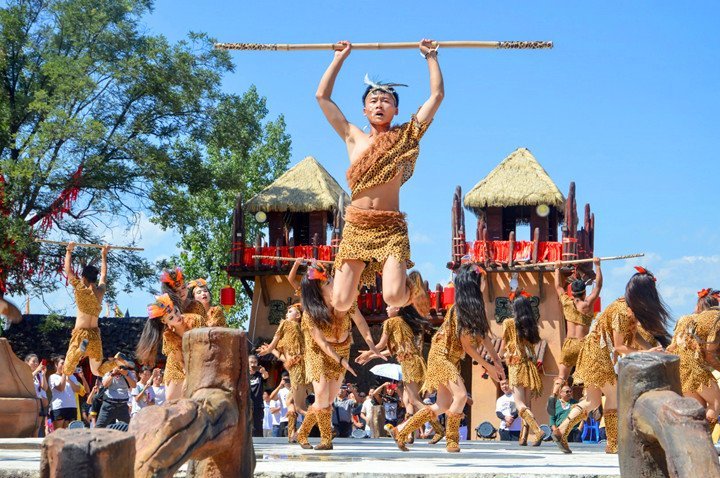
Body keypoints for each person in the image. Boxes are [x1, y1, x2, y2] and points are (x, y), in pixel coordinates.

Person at [317, 39, 443, 324]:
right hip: (358, 225)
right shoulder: (352, 137)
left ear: (395, 110)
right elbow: (322, 97)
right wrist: (339, 58)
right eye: (373, 100)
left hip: (390, 227)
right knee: (340, 301)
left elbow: (436, 97)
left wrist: (431, 57)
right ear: (364, 110)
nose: (379, 104)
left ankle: (414, 285)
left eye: (386, 100)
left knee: (395, 297)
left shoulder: (404, 138)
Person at [386, 263, 505, 453]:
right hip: (442, 357)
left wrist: (497, 362)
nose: (484, 283)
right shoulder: (461, 309)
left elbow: (484, 339)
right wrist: (488, 366)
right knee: (460, 396)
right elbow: (468, 346)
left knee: (442, 405)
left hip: (450, 358)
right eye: (481, 280)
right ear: (474, 284)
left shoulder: (473, 309)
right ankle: (452, 441)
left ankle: (401, 430)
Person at [552, 266, 671, 454]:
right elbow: (619, 346)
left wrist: (653, 350)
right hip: (597, 353)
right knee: (613, 396)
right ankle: (614, 444)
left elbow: (634, 337)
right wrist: (645, 353)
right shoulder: (623, 311)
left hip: (592, 351)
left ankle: (562, 429)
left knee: (592, 401)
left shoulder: (627, 308)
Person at [291, 260, 381, 451]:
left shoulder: (345, 302)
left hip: (342, 350)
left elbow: (361, 322)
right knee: (322, 394)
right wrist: (341, 361)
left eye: (331, 280)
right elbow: (322, 343)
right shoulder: (310, 314)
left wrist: (372, 345)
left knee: (328, 400)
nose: (332, 285)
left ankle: (302, 433)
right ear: (318, 291)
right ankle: (326, 440)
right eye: (327, 283)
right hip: (318, 353)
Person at [356, 301, 445, 442]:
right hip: (416, 361)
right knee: (410, 401)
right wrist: (371, 355)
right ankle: (410, 434)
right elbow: (394, 350)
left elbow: (380, 345)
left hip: (409, 363)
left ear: (397, 308)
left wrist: (368, 353)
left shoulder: (391, 322)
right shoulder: (404, 323)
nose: (385, 308)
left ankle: (437, 428)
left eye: (388, 306)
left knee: (414, 401)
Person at [62, 242, 129, 377]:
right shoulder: (100, 291)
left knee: (67, 370)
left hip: (81, 334)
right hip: (95, 336)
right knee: (97, 372)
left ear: (84, 277)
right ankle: (116, 362)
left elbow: (68, 271)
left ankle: (79, 352)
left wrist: (69, 251)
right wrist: (104, 255)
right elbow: (104, 275)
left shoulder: (81, 290)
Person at [548, 258, 602, 413]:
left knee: (562, 376)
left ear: (572, 292)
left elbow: (558, 286)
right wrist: (597, 266)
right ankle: (591, 400)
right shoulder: (588, 304)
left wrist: (557, 268)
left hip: (569, 344)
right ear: (584, 292)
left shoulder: (566, 302)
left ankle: (553, 394)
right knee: (591, 375)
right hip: (584, 344)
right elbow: (598, 285)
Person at [136, 293, 207, 401]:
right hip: (177, 365)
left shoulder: (197, 320)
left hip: (200, 360)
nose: (177, 316)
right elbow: (179, 359)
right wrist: (187, 374)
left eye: (176, 311)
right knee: (171, 400)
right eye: (171, 317)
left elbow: (205, 345)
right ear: (165, 321)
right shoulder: (168, 335)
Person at [257, 294, 308, 441]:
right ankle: (292, 433)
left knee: (297, 406)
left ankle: (320, 419)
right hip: (299, 367)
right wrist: (271, 350)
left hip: (298, 368)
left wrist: (269, 349)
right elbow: (283, 357)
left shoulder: (287, 324)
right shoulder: (299, 331)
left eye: (289, 311)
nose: (286, 314)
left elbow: (275, 338)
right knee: (291, 403)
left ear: (298, 315)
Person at [667, 288, 720, 427]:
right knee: (716, 404)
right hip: (696, 369)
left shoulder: (684, 319)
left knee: (697, 413)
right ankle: (702, 443)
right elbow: (710, 353)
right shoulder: (714, 319)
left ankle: (691, 445)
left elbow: (672, 347)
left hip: (679, 372)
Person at [503, 295, 545, 447]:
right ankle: (524, 437)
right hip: (529, 366)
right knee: (527, 404)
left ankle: (537, 430)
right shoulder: (532, 326)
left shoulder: (508, 323)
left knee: (519, 403)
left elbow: (504, 344)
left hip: (515, 365)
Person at [48, 356, 83, 429]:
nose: (65, 365)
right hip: (59, 407)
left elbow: (77, 389)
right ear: (56, 365)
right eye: (62, 363)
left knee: (69, 433)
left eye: (66, 363)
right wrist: (64, 373)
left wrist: (69, 379)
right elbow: (61, 388)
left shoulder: (72, 376)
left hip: (71, 407)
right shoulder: (53, 377)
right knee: (59, 433)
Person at [25, 354, 48, 437]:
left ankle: (35, 445)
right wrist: (37, 370)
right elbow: (26, 380)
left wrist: (43, 374)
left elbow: (45, 388)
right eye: (33, 361)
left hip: (39, 403)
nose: (36, 363)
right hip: (29, 404)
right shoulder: (24, 373)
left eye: (37, 362)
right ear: (27, 363)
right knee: (29, 426)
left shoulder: (38, 375)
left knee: (37, 427)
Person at [248, 354, 269, 437]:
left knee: (257, 426)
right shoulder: (244, 374)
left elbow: (266, 376)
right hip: (247, 405)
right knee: (246, 425)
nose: (253, 364)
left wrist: (263, 371)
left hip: (258, 404)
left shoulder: (259, 374)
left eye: (255, 362)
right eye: (251, 362)